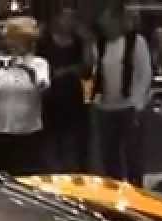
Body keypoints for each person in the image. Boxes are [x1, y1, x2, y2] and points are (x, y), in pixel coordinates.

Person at [0, 17, 50, 175]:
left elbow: (43, 86)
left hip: (28, 130)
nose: (13, 44)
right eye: (11, 40)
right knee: (0, 174)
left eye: (17, 40)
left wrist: (27, 69)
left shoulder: (39, 63)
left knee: (24, 174)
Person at [92, 7, 152, 185]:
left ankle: (135, 191)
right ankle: (114, 190)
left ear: (118, 22)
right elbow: (95, 73)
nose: (104, 26)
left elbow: (144, 73)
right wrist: (93, 99)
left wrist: (137, 103)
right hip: (105, 107)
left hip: (129, 106)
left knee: (133, 155)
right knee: (109, 156)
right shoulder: (99, 44)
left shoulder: (136, 42)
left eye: (108, 21)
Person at [38, 6, 92, 172]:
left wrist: (87, 42)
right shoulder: (44, 41)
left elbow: (87, 67)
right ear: (57, 19)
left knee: (74, 144)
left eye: (73, 18)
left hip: (74, 99)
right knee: (51, 144)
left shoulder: (79, 42)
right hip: (50, 101)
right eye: (66, 17)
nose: (69, 22)